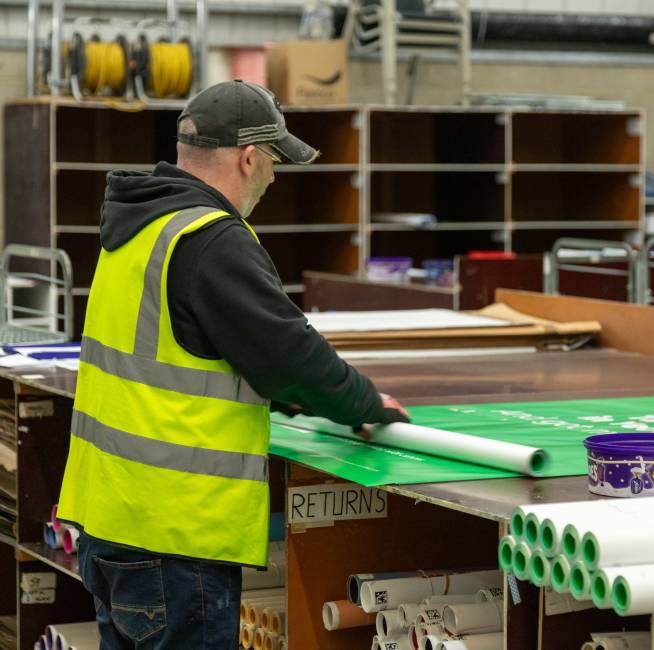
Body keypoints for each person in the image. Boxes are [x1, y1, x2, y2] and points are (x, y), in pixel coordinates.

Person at [55, 80, 409, 649]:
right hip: (175, 537)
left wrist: (283, 392)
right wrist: (366, 405)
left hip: (110, 521)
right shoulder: (212, 239)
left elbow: (196, 346)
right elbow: (289, 353)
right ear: (249, 157)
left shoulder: (138, 226)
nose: (271, 179)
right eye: (272, 162)